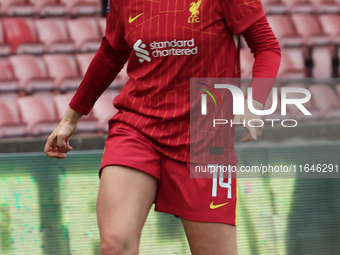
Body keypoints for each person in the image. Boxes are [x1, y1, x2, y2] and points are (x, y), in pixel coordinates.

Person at [44, 0, 281, 254]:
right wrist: (71, 118)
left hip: (205, 141)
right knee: (115, 245)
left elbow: (267, 46)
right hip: (137, 128)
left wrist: (255, 101)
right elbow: (111, 52)